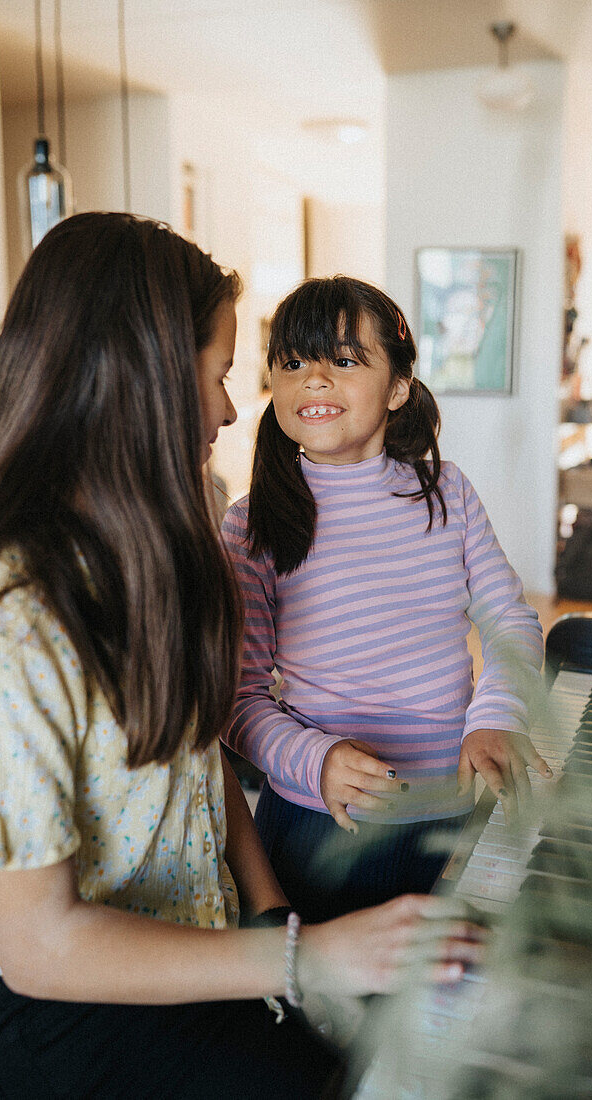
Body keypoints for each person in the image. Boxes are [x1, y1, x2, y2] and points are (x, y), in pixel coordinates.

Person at [0, 216, 485, 1100]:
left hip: (210, 935)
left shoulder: (158, 548)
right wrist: (303, 953)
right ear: (143, 380)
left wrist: (275, 917)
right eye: (217, 376)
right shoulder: (10, 621)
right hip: (83, 1004)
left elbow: (200, 763)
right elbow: (42, 947)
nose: (231, 409)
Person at [222, 275, 550, 924]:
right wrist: (314, 761)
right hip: (321, 824)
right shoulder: (252, 522)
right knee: (316, 1015)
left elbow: (508, 618)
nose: (313, 379)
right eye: (292, 362)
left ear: (398, 387)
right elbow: (238, 695)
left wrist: (495, 717)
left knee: (431, 994)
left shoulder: (445, 492)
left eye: (343, 360)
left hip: (449, 813)